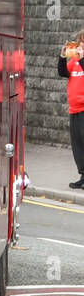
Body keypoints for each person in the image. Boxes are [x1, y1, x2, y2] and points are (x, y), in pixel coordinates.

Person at [59, 32, 84, 189]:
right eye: (80, 42)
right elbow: (62, 73)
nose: (80, 45)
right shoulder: (75, 61)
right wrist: (62, 57)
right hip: (74, 110)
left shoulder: (81, 61)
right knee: (78, 145)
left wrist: (82, 59)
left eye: (83, 42)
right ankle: (83, 175)